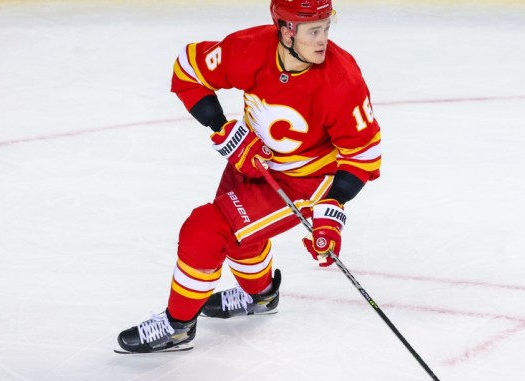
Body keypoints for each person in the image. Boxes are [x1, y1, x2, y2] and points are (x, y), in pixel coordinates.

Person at [116, 0, 382, 353]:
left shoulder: (342, 81)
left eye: (326, 28)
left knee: (205, 229)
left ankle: (178, 325)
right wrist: (223, 128)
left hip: (304, 180)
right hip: (251, 160)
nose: (323, 40)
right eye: (313, 31)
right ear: (286, 31)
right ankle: (260, 296)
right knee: (240, 237)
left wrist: (333, 205)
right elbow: (188, 72)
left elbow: (363, 154)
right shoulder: (249, 49)